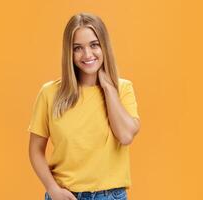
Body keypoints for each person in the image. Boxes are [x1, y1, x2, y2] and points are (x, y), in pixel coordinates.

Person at [28, 12, 141, 200]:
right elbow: (35, 150)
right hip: (64, 195)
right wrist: (52, 189)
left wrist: (108, 88)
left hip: (110, 196)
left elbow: (125, 135)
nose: (87, 54)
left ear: (104, 46)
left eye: (94, 45)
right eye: (77, 48)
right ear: (69, 52)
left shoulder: (123, 89)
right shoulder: (49, 93)